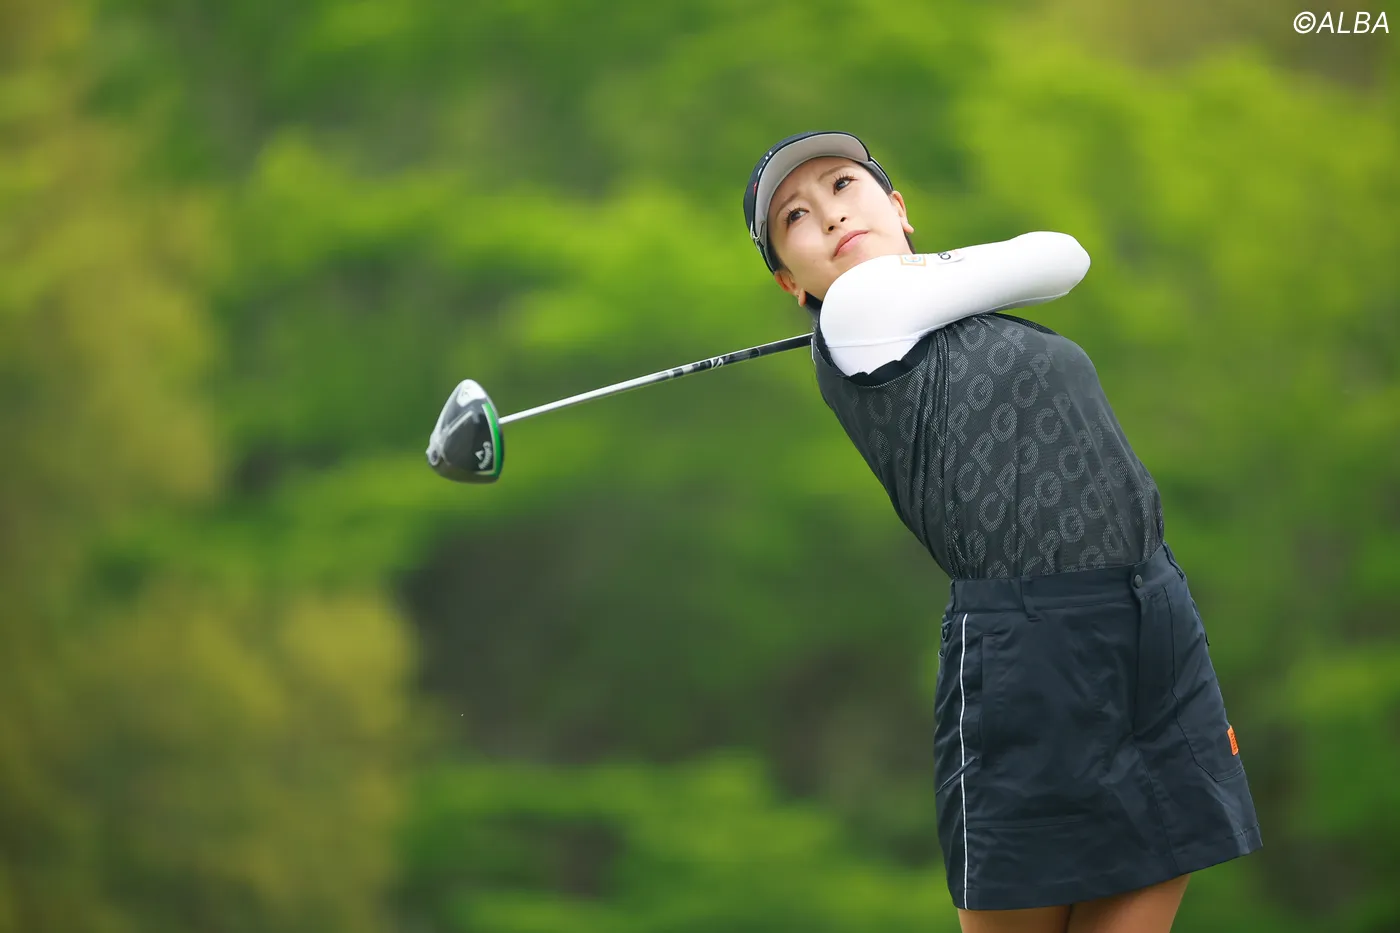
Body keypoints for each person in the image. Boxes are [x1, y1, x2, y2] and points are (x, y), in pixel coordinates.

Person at [742, 131, 1262, 933]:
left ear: (898, 206)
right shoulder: (854, 309)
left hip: (1150, 615)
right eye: (797, 218)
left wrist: (935, 278)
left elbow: (1064, 256)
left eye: (843, 184)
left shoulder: (946, 314)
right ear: (790, 280)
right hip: (1030, 645)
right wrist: (930, 272)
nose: (832, 214)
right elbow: (1054, 256)